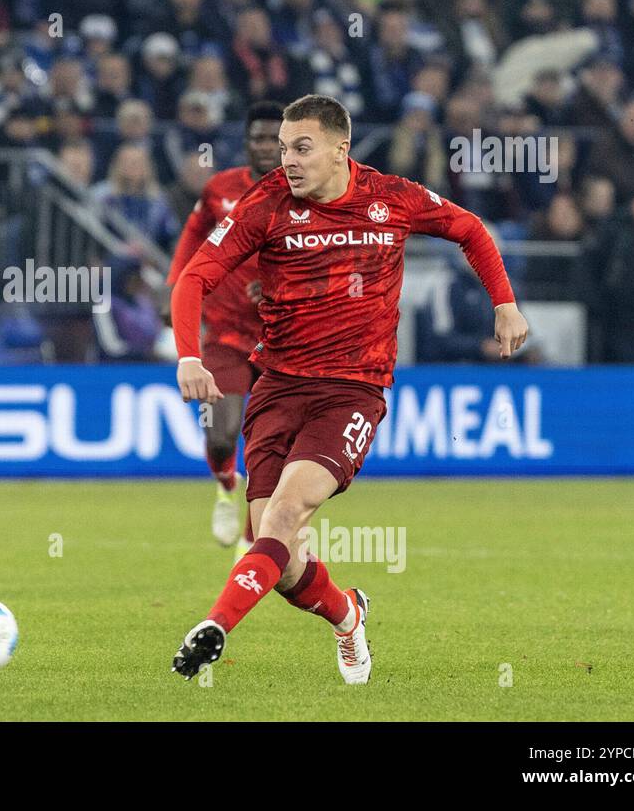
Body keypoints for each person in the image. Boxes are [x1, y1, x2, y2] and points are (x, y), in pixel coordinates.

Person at [169, 94, 528, 684]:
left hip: (351, 392)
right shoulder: (267, 205)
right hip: (277, 387)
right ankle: (347, 613)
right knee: (277, 554)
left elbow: (469, 228)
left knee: (285, 514)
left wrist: (505, 303)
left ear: (341, 149)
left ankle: (214, 627)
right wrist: (188, 354)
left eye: (301, 148)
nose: (287, 160)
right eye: (283, 148)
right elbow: (195, 279)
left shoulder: (391, 198)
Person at [164, 100, 282, 555]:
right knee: (220, 432)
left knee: (271, 442)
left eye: (276, 139)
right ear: (247, 143)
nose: (267, 147)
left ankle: (254, 536)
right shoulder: (221, 190)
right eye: (259, 138)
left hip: (282, 337)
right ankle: (224, 485)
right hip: (228, 333)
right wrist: (174, 289)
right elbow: (192, 243)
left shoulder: (303, 195)